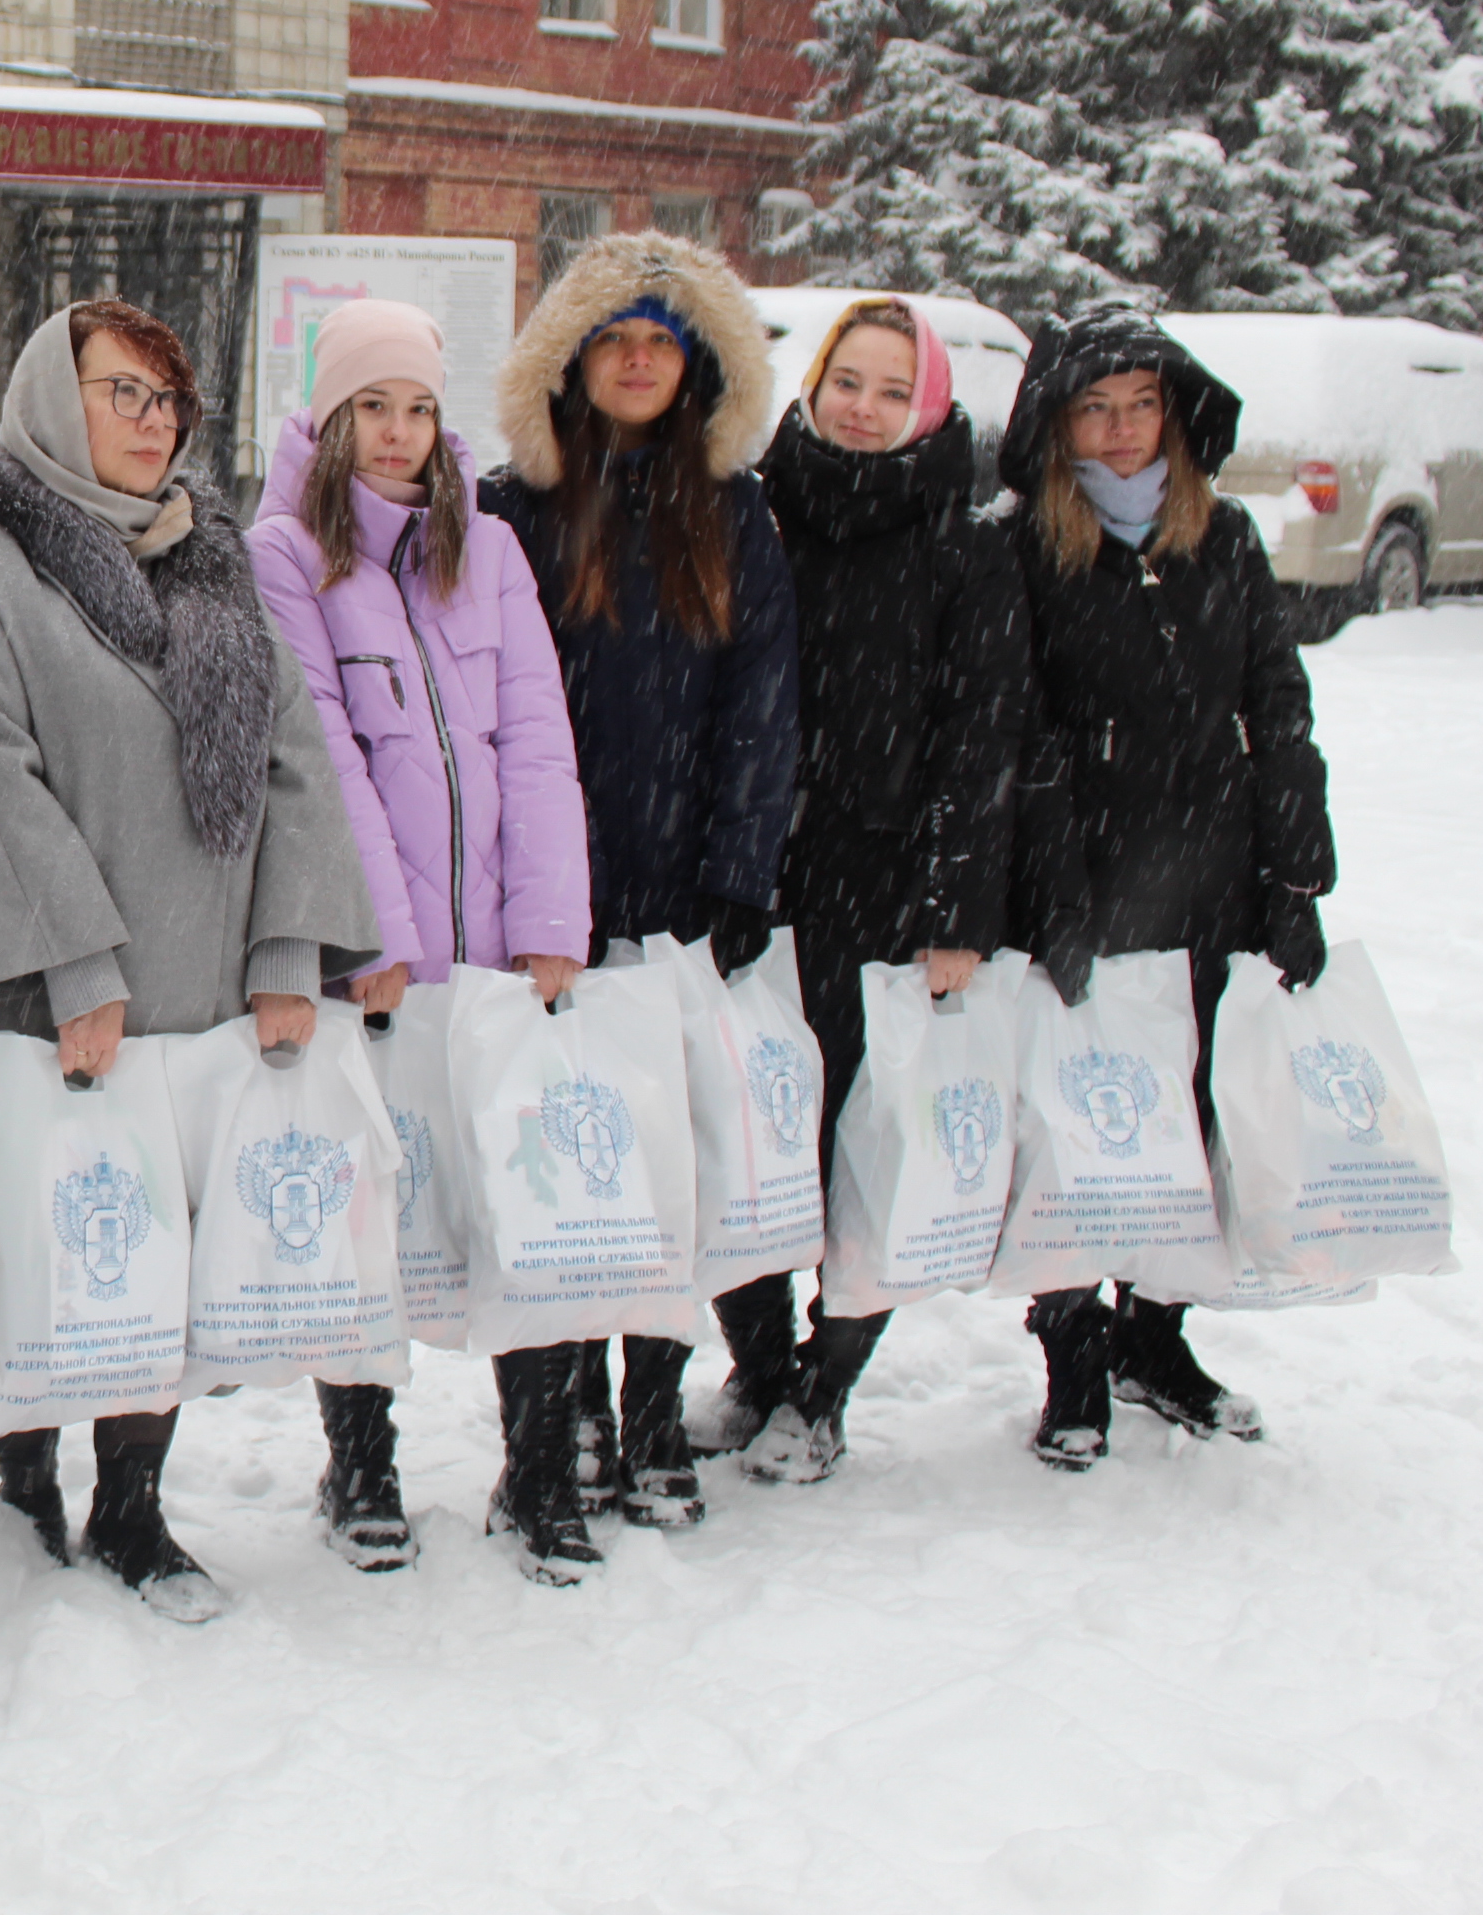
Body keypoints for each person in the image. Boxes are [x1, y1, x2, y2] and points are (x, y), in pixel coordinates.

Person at [0, 299, 377, 1622]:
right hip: (79, 985)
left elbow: (296, 757)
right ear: (57, 404)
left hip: (210, 985)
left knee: (158, 1257)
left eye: (165, 401)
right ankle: (26, 1465)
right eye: (120, 395)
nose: (149, 423)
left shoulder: (212, 560)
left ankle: (131, 1508)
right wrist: (75, 967)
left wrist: (290, 943)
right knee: (71, 1226)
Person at [245, 299, 590, 1575]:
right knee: (373, 1216)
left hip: (502, 949)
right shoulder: (285, 553)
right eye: (372, 407)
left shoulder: (487, 550)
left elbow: (539, 736)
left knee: (526, 1197)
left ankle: (541, 1465)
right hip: (379, 967)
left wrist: (552, 921)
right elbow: (321, 752)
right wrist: (371, 934)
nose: (398, 435)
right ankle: (364, 1461)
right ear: (330, 417)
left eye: (420, 408)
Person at [478, 231, 795, 1567]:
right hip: (544, 906)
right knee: (550, 1169)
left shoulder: (736, 517)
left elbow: (763, 706)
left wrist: (739, 872)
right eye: (613, 340)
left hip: (677, 900)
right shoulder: (513, 511)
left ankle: (653, 1413)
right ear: (572, 360)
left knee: (665, 1172)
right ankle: (548, 1437)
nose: (636, 363)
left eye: (662, 343)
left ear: (698, 364)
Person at [1001, 302, 1332, 1468]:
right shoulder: (1029, 546)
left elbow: (1277, 706)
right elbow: (1021, 733)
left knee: (1188, 1114)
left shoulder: (1224, 538)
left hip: (1213, 873)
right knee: (1080, 1118)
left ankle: (1156, 1334)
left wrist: (1296, 875)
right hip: (1085, 875)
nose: (1124, 428)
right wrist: (1053, 893)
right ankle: (1072, 1352)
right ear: (1057, 421)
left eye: (1143, 403)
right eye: (1097, 406)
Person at [715, 296, 1030, 1483]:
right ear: (813, 381)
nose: (863, 405)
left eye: (894, 390)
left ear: (931, 407)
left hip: (888, 901)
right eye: (849, 379)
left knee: (867, 1147)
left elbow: (982, 735)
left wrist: (958, 911)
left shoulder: (965, 543)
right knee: (750, 1138)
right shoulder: (759, 510)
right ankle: (758, 1364)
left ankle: (827, 1385)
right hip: (756, 886)